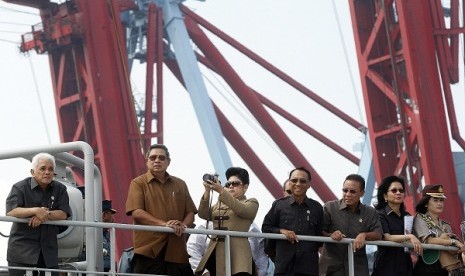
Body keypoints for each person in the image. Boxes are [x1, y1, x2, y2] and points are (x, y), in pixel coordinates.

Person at [125, 144, 197, 275]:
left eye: (161, 158)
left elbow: (190, 213)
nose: (157, 160)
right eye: (153, 158)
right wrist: (165, 225)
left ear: (168, 162)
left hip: (177, 250)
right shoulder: (138, 183)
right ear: (147, 162)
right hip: (149, 249)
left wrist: (183, 225)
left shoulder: (180, 184)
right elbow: (136, 212)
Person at [6, 152, 71, 276]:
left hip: (48, 254)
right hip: (22, 253)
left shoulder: (60, 189)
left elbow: (63, 213)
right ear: (32, 172)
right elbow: (11, 211)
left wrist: (44, 214)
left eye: (50, 169)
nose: (47, 172)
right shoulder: (20, 187)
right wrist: (35, 211)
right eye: (42, 168)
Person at [195, 167, 259, 276]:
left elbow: (241, 210)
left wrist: (221, 191)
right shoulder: (219, 203)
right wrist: (207, 191)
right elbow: (203, 214)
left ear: (246, 186)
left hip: (237, 254)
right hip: (215, 251)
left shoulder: (251, 202)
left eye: (235, 183)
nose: (231, 187)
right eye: (228, 184)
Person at [262, 167, 323, 276]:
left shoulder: (317, 207)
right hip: (284, 268)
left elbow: (320, 237)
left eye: (302, 181)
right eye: (294, 180)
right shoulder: (279, 205)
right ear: (289, 183)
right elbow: (266, 228)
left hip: (308, 268)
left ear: (309, 184)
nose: (298, 184)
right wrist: (281, 231)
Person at [319, 174, 383, 276]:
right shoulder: (329, 207)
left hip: (357, 267)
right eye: (345, 190)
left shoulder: (370, 212)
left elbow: (378, 234)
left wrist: (364, 235)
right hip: (331, 267)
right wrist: (330, 235)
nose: (347, 194)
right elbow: (319, 231)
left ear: (362, 193)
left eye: (352, 191)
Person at [371, 176, 422, 276]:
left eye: (401, 190)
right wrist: (410, 236)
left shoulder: (407, 216)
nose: (398, 193)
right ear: (385, 195)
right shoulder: (379, 214)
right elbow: (387, 237)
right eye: (394, 190)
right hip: (386, 264)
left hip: (405, 263)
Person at [413, 184, 465, 276]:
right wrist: (454, 242)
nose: (439, 203)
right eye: (435, 200)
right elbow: (429, 241)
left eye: (441, 200)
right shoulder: (419, 219)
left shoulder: (445, 225)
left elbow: (453, 250)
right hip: (428, 268)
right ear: (426, 203)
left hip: (446, 270)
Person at [187, 221, 271, 276]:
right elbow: (192, 249)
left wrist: (260, 273)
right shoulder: (208, 225)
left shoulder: (251, 226)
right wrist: (204, 272)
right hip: (213, 269)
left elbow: (260, 255)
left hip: (243, 269)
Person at [102, 200, 117, 272]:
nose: (113, 219)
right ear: (104, 215)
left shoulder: (106, 234)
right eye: (111, 214)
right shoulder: (99, 236)